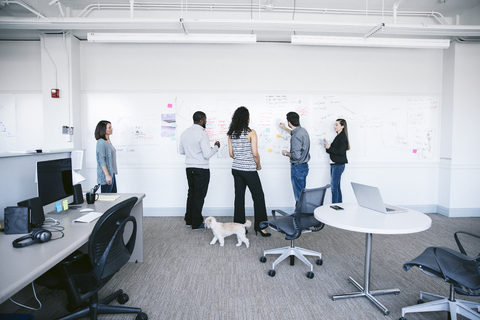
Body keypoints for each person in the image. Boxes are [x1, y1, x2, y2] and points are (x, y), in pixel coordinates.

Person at [227, 106, 270, 237]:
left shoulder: (231, 133)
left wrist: (240, 158)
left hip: (236, 169)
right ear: (247, 118)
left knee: (239, 198)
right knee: (259, 197)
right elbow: (255, 153)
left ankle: (239, 228)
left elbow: (231, 154)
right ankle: (261, 227)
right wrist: (258, 165)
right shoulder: (251, 133)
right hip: (249, 170)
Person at [179, 111, 220, 230]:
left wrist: (192, 153)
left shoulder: (184, 133)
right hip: (201, 169)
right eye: (205, 120)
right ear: (201, 121)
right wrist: (216, 147)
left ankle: (189, 220)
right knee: (199, 196)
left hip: (189, 168)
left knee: (191, 193)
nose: (206, 122)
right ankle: (196, 223)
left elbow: (181, 151)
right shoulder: (203, 134)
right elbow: (207, 154)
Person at [280, 112, 311, 203]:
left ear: (289, 123)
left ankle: (299, 216)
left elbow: (296, 156)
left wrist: (286, 153)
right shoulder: (303, 131)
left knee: (299, 197)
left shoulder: (296, 136)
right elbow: (294, 133)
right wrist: (285, 128)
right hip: (304, 167)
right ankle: (300, 214)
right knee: (302, 194)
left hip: (297, 168)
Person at [324, 118, 350, 203]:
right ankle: (339, 206)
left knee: (334, 188)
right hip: (335, 164)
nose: (334, 126)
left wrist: (330, 147)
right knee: (337, 187)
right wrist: (327, 146)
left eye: (336, 125)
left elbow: (341, 152)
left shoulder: (342, 137)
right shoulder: (338, 136)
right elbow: (331, 150)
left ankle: (334, 207)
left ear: (342, 126)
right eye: (334, 124)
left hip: (338, 165)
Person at [95, 120, 118, 193]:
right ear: (103, 130)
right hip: (106, 175)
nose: (112, 129)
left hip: (112, 173)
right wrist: (107, 175)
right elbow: (101, 160)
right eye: (109, 127)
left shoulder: (108, 141)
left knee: (114, 197)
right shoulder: (101, 142)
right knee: (107, 200)